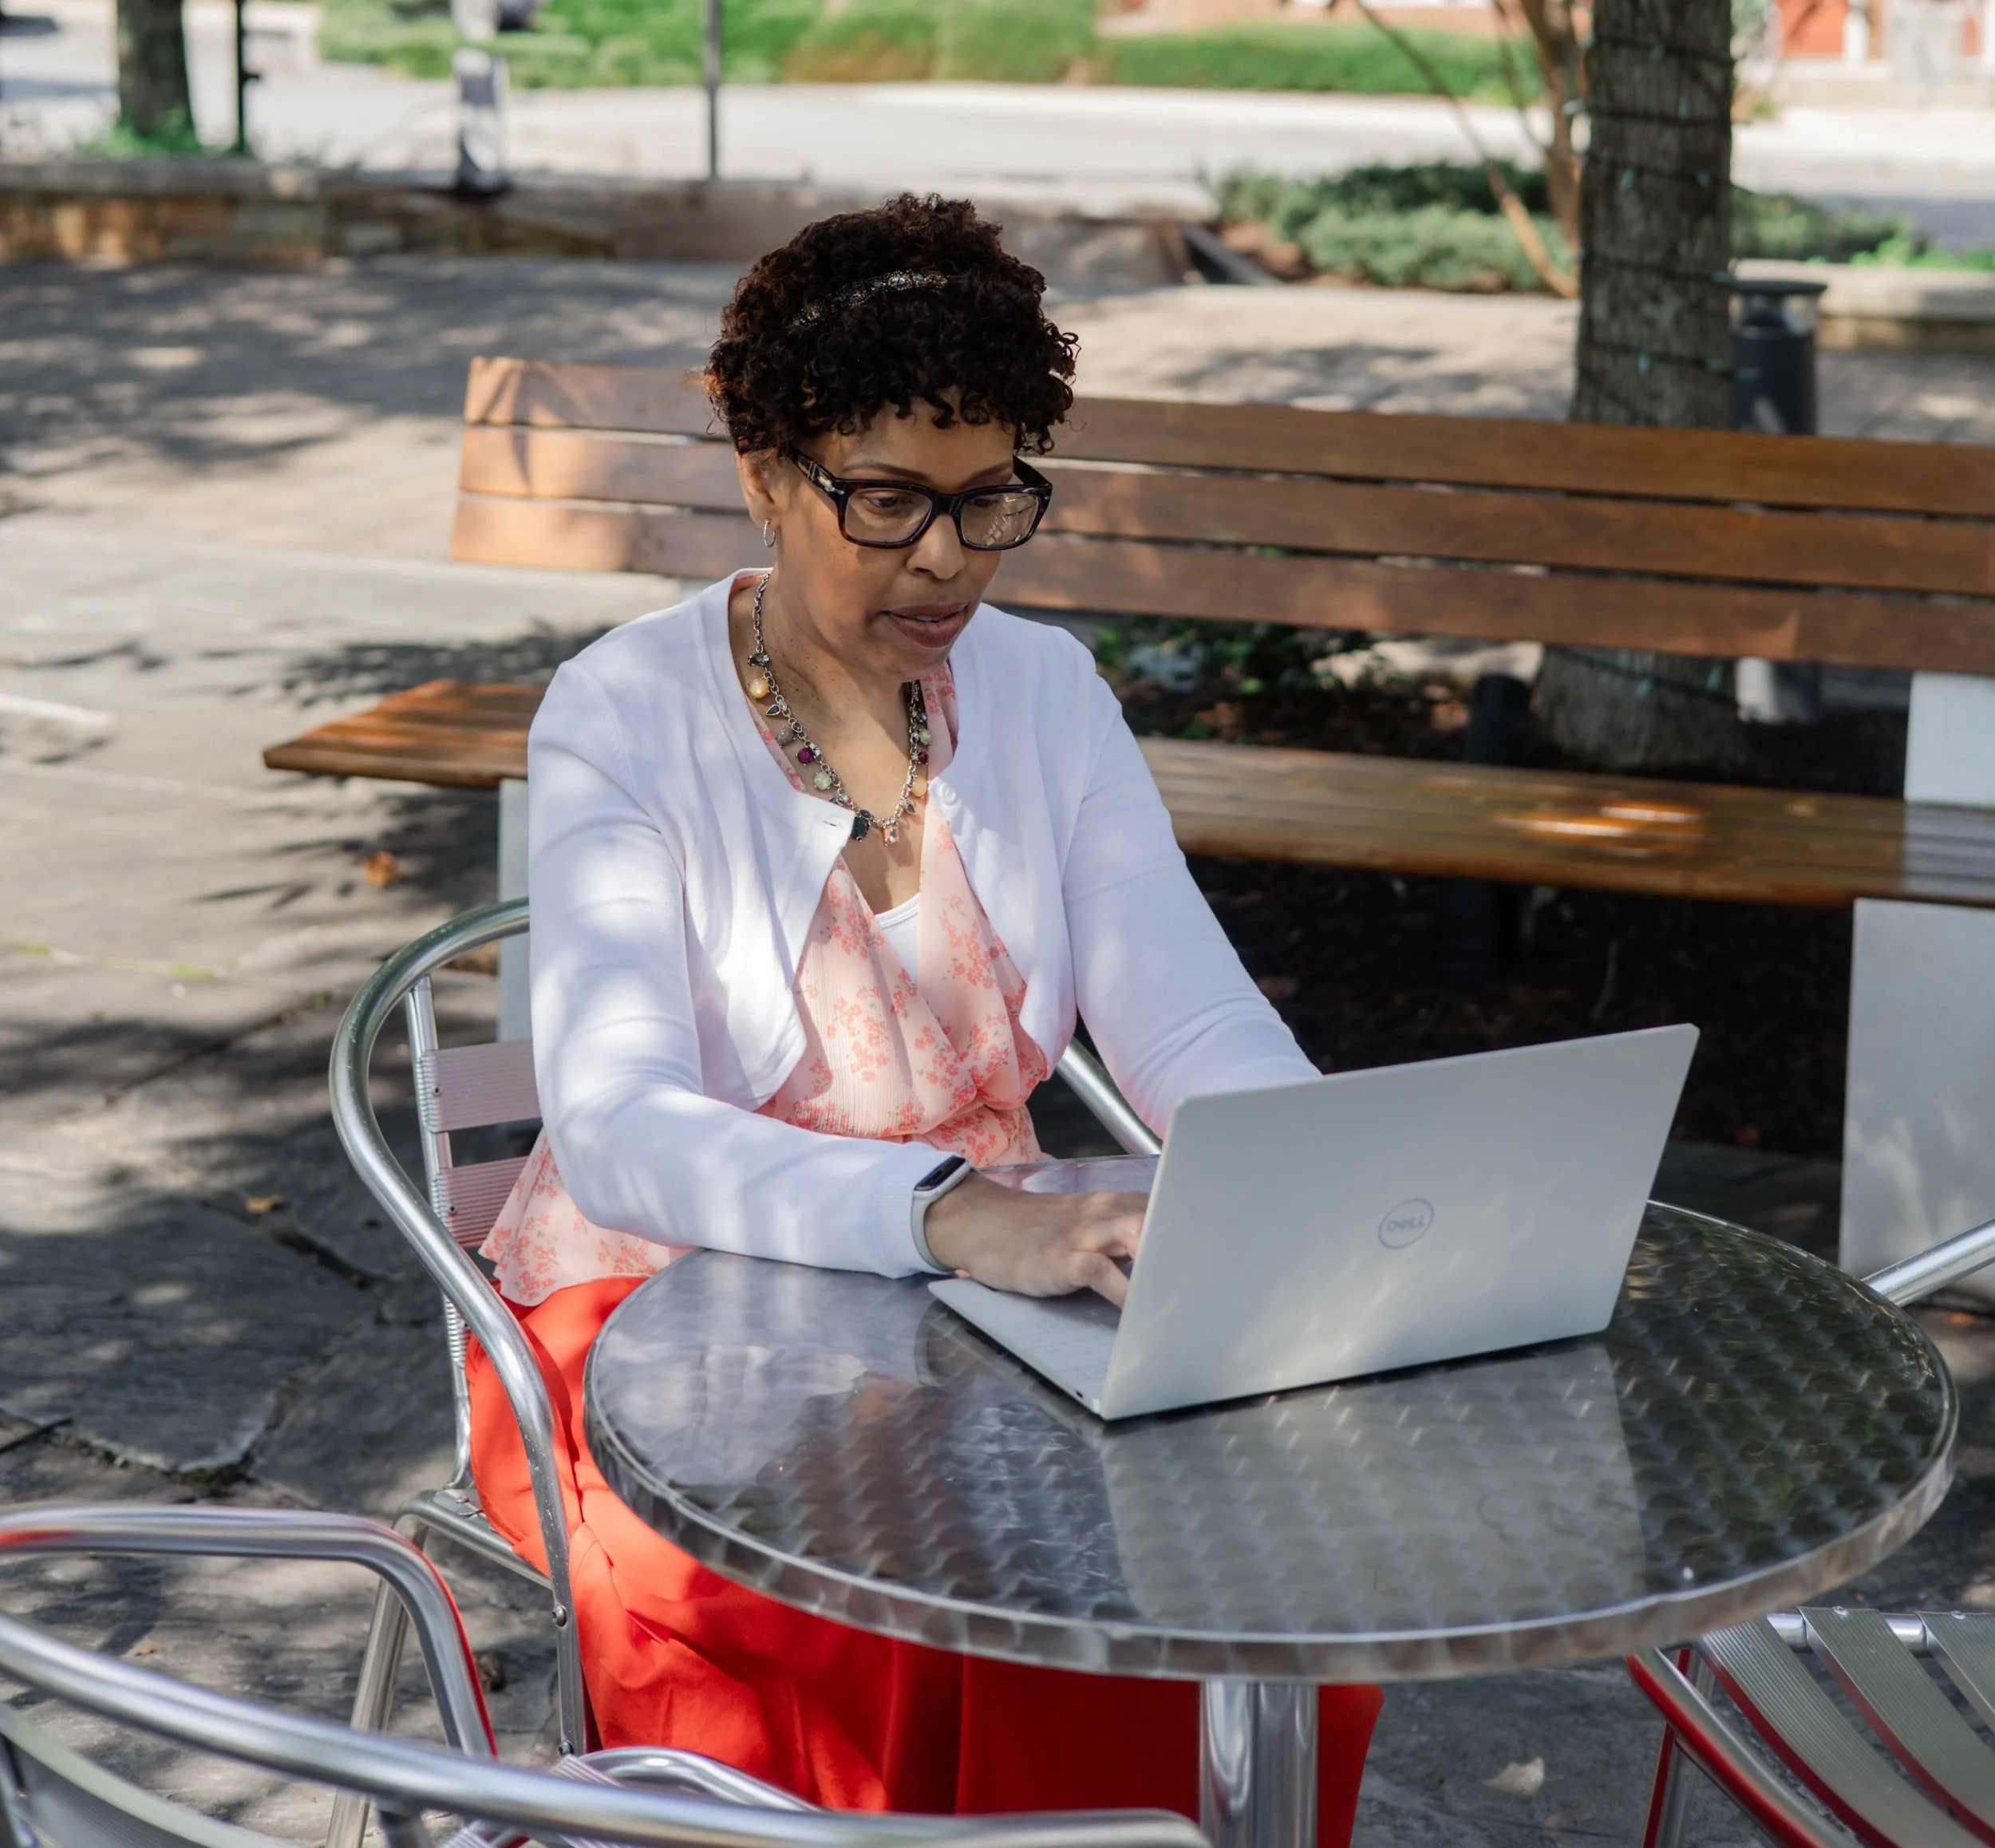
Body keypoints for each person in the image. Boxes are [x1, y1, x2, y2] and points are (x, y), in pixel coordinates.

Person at [465, 193, 1381, 1842]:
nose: (946, 558)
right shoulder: (623, 710)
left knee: (1267, 1560)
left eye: (985, 500)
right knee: (912, 1605)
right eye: (884, 502)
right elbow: (614, 1130)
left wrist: (1324, 1195)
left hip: (970, 1309)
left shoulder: (1039, 691)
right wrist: (953, 1222)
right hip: (666, 1309)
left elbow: (1190, 1028)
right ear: (764, 476)